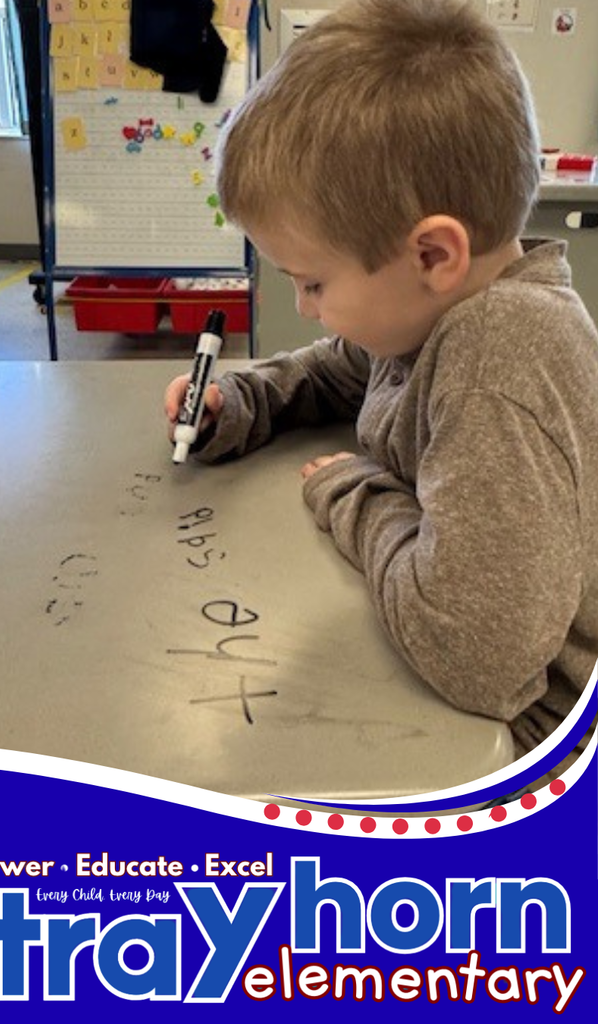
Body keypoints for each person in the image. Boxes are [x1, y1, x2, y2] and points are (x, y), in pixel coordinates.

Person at [164, 0, 598, 768]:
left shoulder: (498, 351)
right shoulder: (438, 312)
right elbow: (346, 367)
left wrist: (354, 494)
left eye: (311, 280)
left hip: (545, 741)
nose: (301, 307)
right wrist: (246, 400)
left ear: (433, 254)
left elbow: (474, 655)